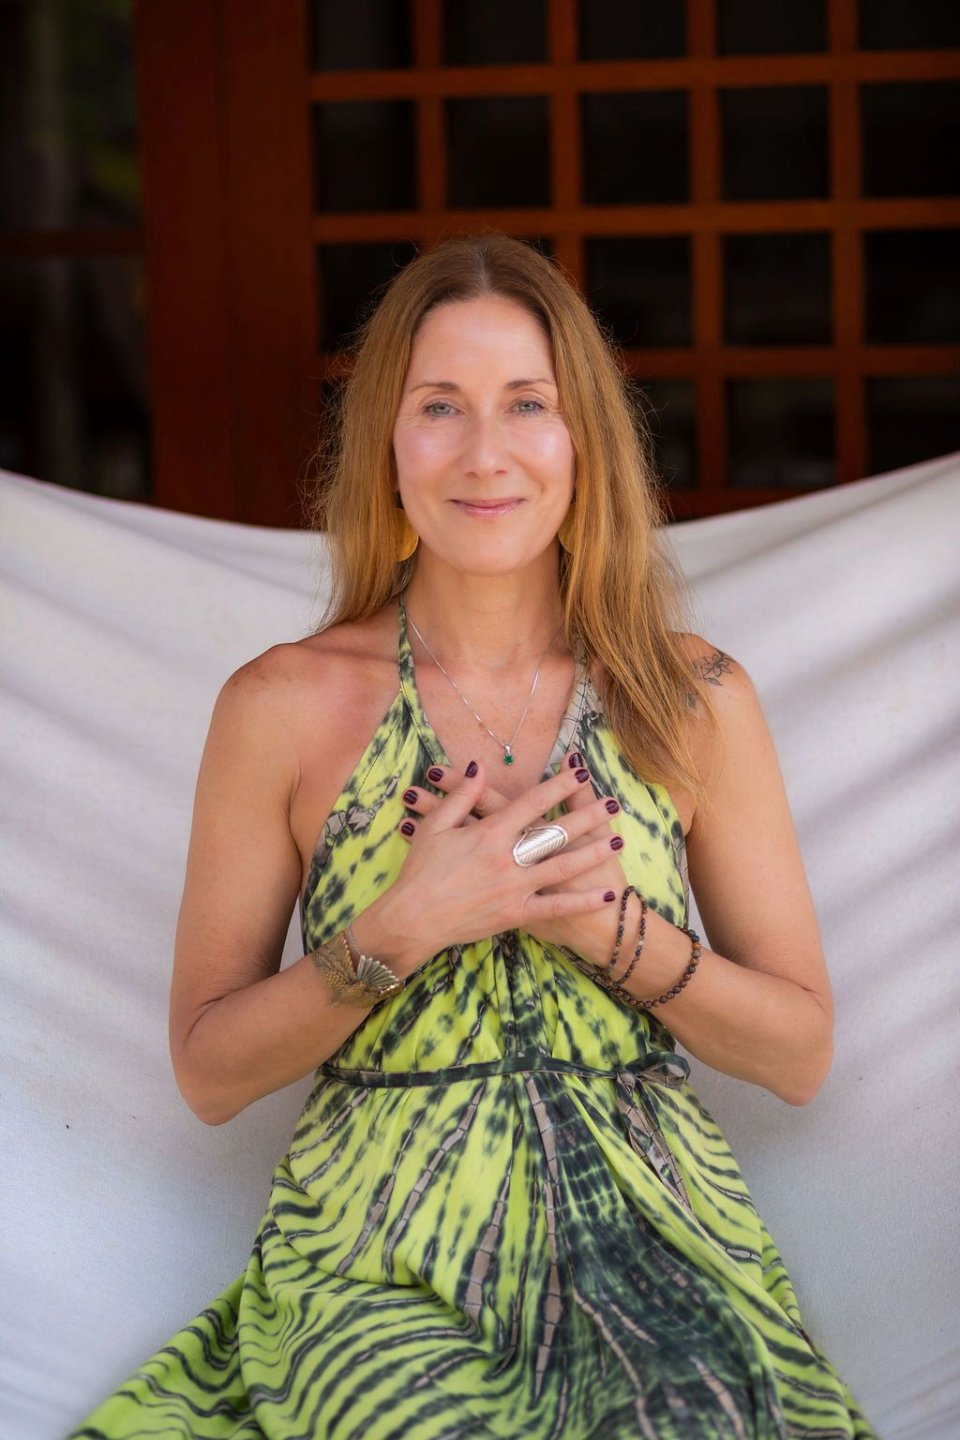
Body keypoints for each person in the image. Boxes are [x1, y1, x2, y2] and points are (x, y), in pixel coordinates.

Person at [72, 233, 873, 1439]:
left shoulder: (696, 697)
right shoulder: (279, 706)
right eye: (439, 406)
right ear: (386, 446)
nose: (485, 453)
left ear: (582, 440)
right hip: (379, 1238)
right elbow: (208, 1069)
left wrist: (616, 937)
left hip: (647, 1225)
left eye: (528, 406)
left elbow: (801, 1054)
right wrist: (402, 928)